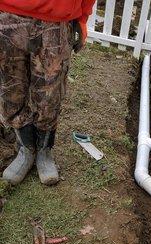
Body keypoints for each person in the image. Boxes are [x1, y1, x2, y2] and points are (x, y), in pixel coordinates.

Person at [0, 0, 96, 185]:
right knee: (11, 91)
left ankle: (44, 151)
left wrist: (82, 18)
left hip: (55, 19)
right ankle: (26, 149)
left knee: (50, 94)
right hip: (6, 14)